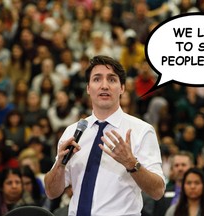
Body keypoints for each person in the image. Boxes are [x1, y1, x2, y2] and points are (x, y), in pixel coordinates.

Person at [44, 55, 165, 215]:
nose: (104, 86)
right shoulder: (72, 132)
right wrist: (60, 164)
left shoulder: (142, 130)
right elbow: (51, 192)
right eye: (97, 79)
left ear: (122, 88)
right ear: (88, 88)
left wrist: (131, 163)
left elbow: (157, 191)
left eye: (112, 80)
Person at [152, 151, 194, 216]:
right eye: (176, 165)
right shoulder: (162, 195)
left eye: (183, 165)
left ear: (192, 167)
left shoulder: (201, 192)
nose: (180, 168)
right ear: (172, 169)